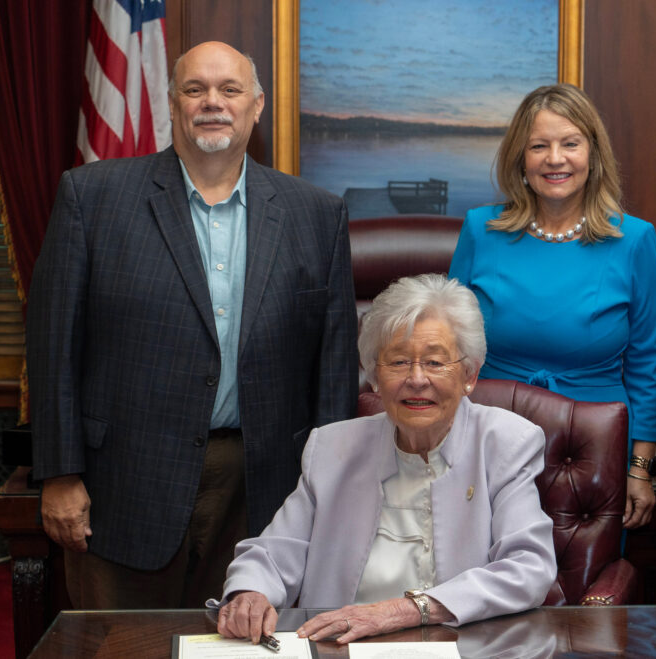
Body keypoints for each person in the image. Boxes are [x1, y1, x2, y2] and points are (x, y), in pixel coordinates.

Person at [26, 41, 358, 609]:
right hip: (125, 481)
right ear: (172, 103)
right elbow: (54, 344)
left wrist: (330, 491)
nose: (213, 103)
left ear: (256, 107)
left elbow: (333, 369)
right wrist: (59, 474)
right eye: (195, 89)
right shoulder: (92, 196)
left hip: (264, 488)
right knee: (120, 647)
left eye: (230, 90)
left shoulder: (316, 214)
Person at [214, 273, 557, 644]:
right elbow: (275, 552)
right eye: (397, 362)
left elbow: (529, 568)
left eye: (435, 362)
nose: (416, 379)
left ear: (469, 375)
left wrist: (407, 610)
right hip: (339, 648)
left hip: (459, 647)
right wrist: (249, 592)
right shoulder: (333, 447)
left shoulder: (505, 443)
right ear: (375, 376)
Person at [449, 84, 656, 529]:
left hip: (593, 448)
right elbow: (450, 346)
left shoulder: (635, 240)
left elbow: (648, 365)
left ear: (593, 155)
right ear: (520, 160)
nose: (555, 158)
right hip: (488, 441)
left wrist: (639, 469)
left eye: (570, 143)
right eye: (539, 146)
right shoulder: (479, 230)